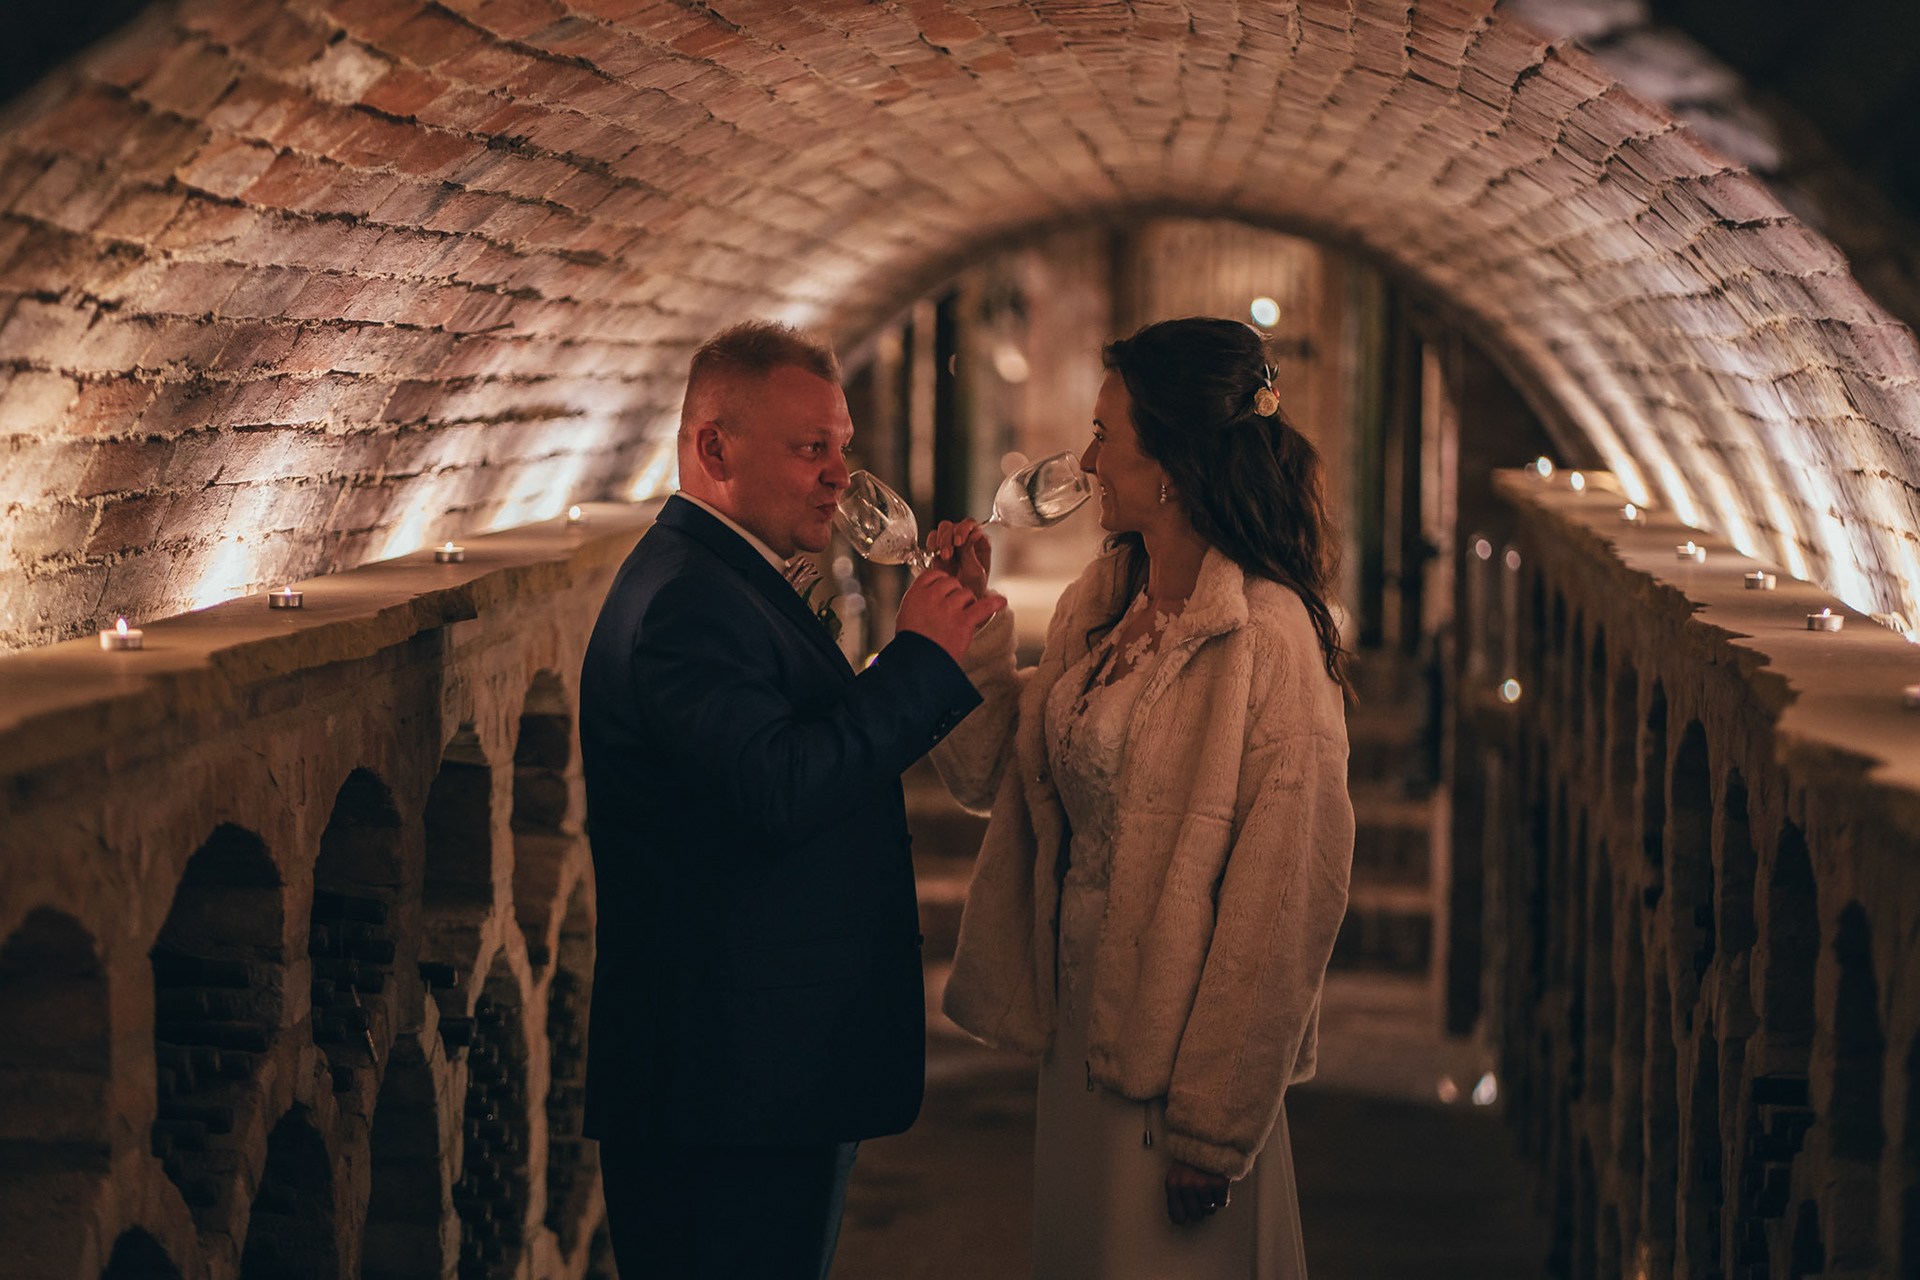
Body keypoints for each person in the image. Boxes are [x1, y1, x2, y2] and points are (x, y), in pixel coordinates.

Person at [925, 316, 1355, 1279]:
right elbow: (1001, 775)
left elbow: (1287, 894)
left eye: (1104, 435)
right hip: (1082, 1038)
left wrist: (1215, 1123)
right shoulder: (1102, 600)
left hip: (1176, 1078)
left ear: (1171, 465)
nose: (1086, 461)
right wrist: (969, 625)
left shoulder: (1269, 637)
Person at [578, 321, 1004, 1279]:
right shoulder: (687, 601)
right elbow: (778, 786)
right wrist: (917, 661)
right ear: (715, 449)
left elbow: (801, 747)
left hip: (763, 1078)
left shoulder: (729, 578)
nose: (839, 477)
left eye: (841, 447)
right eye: (812, 449)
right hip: (726, 1089)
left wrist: (940, 642)